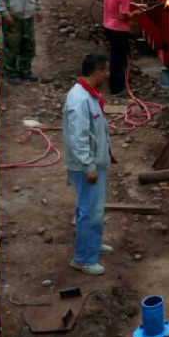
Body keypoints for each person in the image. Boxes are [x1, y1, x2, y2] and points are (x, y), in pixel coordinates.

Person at [63, 53, 115, 276]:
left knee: (91, 208)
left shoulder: (88, 95)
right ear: (97, 71)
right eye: (106, 70)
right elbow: (79, 138)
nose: (108, 74)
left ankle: (92, 244)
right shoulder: (80, 99)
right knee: (90, 211)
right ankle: (83, 259)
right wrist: (89, 166)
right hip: (87, 167)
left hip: (92, 163)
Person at [102, 0, 146, 95]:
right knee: (120, 59)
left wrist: (135, 5)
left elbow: (116, 2)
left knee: (116, 57)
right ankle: (117, 88)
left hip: (107, 26)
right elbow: (122, 16)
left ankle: (116, 85)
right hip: (118, 30)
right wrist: (135, 13)